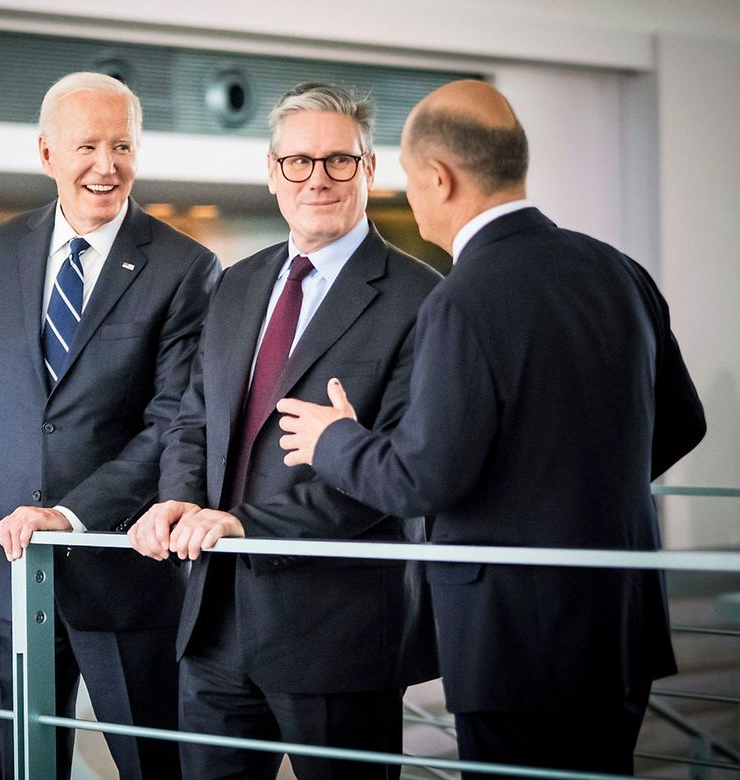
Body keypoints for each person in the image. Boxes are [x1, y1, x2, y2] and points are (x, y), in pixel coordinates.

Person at [277, 80, 707, 777]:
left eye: (412, 183)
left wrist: (333, 440)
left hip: (518, 641)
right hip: (621, 620)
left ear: (440, 179)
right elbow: (684, 422)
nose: (410, 200)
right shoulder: (618, 270)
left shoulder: (464, 298)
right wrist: (573, 491)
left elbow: (424, 477)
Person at [0, 72, 221, 779]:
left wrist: (69, 514)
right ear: (46, 153)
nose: (106, 166)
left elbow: (172, 420)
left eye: (122, 145)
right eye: (86, 146)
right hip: (8, 569)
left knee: (150, 767)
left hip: (123, 569)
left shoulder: (185, 267)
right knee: (26, 765)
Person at [127, 82, 440, 779]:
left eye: (339, 160)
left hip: (339, 630)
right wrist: (177, 499)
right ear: (273, 173)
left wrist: (243, 523)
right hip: (212, 623)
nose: (318, 179)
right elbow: (194, 418)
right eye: (298, 161)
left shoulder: (421, 299)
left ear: (369, 169)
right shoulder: (236, 284)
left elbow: (398, 473)